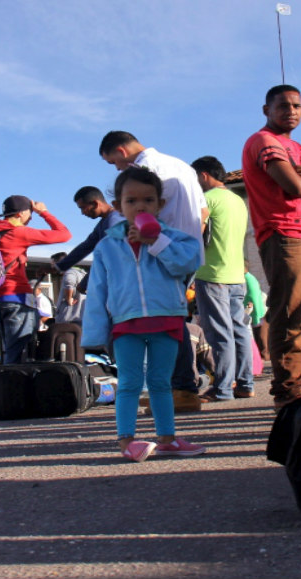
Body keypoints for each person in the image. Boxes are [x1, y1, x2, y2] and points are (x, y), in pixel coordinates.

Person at [81, 166, 206, 461]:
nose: (140, 206)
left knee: (162, 382)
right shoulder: (107, 246)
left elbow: (188, 264)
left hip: (167, 318)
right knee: (129, 382)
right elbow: (98, 291)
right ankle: (126, 442)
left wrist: (158, 243)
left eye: (149, 200)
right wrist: (95, 334)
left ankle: (167, 438)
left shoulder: (175, 238)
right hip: (126, 323)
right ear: (118, 206)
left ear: (160, 205)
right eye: (131, 201)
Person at [100, 132, 210, 410]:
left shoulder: (142, 170)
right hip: (187, 248)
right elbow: (204, 213)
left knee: (165, 322)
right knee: (173, 316)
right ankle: (178, 388)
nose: (117, 169)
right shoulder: (183, 166)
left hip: (158, 249)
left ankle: (183, 388)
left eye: (114, 162)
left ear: (122, 152)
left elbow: (142, 216)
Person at [241, 84, 301, 409]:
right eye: (283, 105)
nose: (291, 110)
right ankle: (291, 396)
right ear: (266, 110)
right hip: (285, 235)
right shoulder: (263, 141)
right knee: (293, 319)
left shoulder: (296, 146)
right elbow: (294, 186)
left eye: (297, 105)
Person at [191, 155, 256, 401]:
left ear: (203, 175)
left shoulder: (206, 199)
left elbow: (196, 234)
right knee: (239, 330)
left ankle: (222, 388)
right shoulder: (238, 201)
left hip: (212, 274)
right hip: (236, 274)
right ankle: (245, 384)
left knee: (220, 333)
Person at [0, 195, 71, 364]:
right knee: (20, 355)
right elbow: (64, 234)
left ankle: (2, 386)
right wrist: (43, 212)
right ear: (21, 213)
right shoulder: (19, 232)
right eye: (30, 213)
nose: (30, 218)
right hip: (15, 297)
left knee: (7, 350)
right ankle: (14, 388)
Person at [52, 252, 86, 325]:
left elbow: (69, 281)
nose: (53, 267)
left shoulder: (69, 272)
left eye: (53, 264)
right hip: (81, 317)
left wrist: (68, 298)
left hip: (69, 319)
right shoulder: (81, 273)